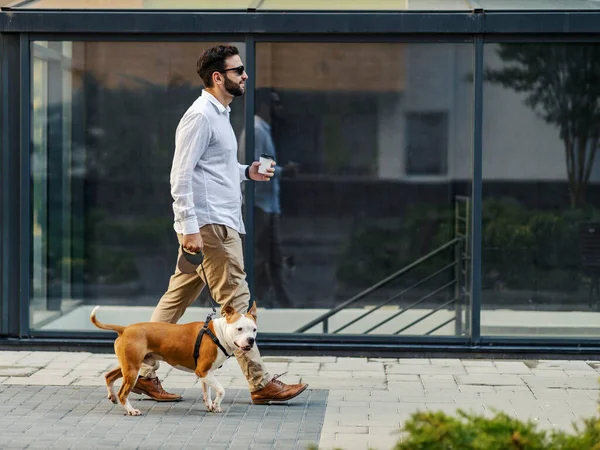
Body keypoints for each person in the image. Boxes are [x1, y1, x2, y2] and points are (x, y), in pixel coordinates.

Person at [132, 45, 308, 404]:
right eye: (238, 70)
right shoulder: (200, 116)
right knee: (237, 300)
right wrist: (188, 226)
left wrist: (247, 172)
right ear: (218, 77)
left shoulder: (220, 115)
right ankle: (260, 383)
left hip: (215, 222)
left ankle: (141, 372)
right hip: (211, 226)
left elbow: (211, 170)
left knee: (175, 298)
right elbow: (180, 175)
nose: (245, 75)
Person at [252, 88, 299, 308]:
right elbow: (254, 166)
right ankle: (277, 301)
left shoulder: (263, 130)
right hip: (260, 206)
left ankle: (278, 301)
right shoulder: (256, 131)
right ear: (263, 106)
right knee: (264, 259)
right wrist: (283, 172)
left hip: (267, 206)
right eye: (275, 104)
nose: (279, 109)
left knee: (271, 259)